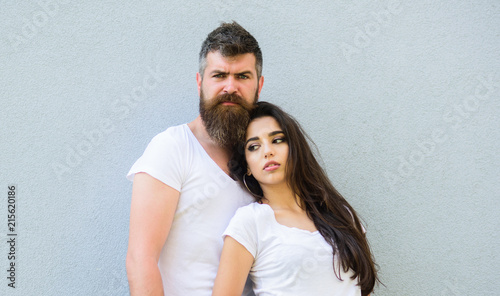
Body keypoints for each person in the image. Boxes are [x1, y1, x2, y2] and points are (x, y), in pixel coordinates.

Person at [126, 21, 264, 295]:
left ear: (259, 84)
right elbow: (140, 260)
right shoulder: (172, 148)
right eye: (219, 75)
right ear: (200, 82)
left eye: (242, 77)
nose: (230, 87)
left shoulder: (263, 161)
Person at [212, 102, 379, 296]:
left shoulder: (341, 214)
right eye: (254, 146)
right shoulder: (250, 222)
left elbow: (362, 287)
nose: (267, 151)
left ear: (295, 148)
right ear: (247, 166)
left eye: (277, 140)